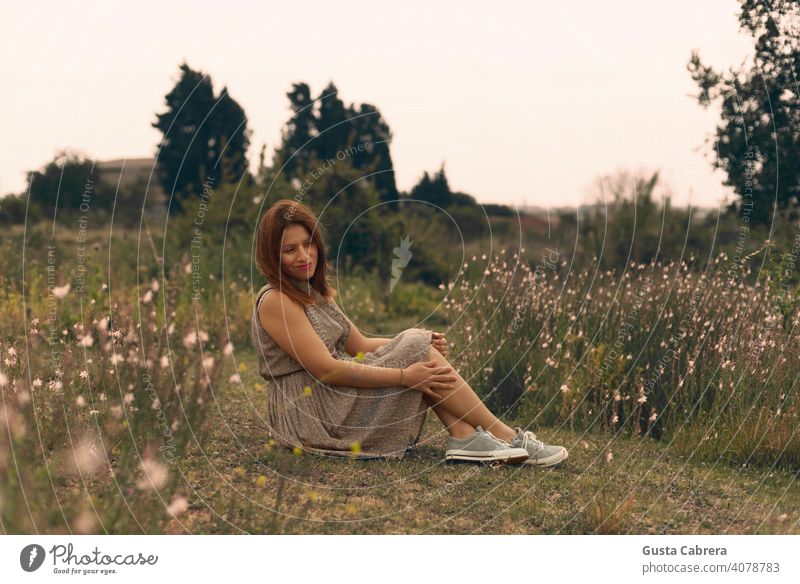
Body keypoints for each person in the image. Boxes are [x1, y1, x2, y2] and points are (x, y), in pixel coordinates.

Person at [251, 199, 568, 466]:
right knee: (415, 351)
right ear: (271, 256)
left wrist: (414, 341)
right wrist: (405, 375)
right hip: (314, 414)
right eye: (290, 250)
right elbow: (327, 368)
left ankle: (465, 436)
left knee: (417, 343)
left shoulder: (312, 292)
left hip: (332, 400)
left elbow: (357, 343)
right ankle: (503, 435)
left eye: (308, 244)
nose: (304, 256)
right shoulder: (277, 301)